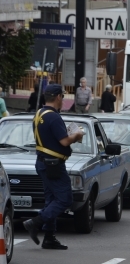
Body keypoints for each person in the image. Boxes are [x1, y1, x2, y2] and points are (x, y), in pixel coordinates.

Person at [23, 84, 84, 250]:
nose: (63, 99)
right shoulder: (53, 117)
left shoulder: (39, 114)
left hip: (43, 162)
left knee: (51, 200)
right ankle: (35, 222)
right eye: (62, 96)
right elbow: (64, 141)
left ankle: (49, 237)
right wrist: (77, 135)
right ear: (58, 97)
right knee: (65, 199)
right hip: (53, 165)